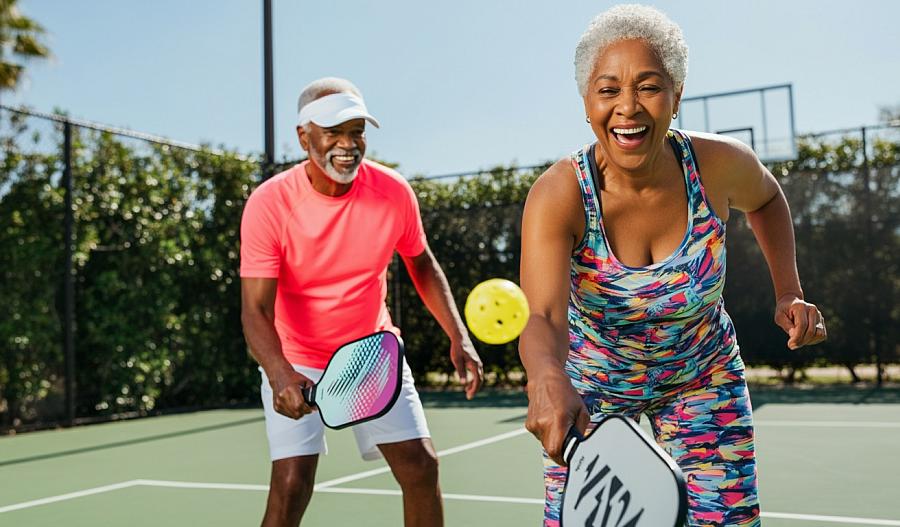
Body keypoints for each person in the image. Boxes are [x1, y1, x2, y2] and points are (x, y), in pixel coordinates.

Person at [518, 5, 826, 526]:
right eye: (608, 89)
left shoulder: (719, 165)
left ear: (677, 95)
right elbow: (543, 317)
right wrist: (547, 374)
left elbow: (769, 199)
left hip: (701, 375)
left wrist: (788, 291)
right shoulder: (559, 194)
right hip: (594, 387)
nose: (628, 108)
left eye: (649, 86)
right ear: (587, 102)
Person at [240, 77, 484, 527]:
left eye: (357, 132)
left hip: (370, 354)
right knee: (292, 484)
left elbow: (422, 264)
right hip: (296, 356)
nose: (347, 145)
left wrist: (458, 335)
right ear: (303, 137)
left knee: (421, 466)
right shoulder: (269, 204)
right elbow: (254, 309)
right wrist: (279, 373)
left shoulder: (392, 192)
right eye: (333, 133)